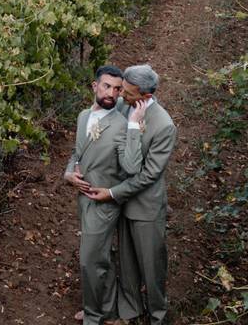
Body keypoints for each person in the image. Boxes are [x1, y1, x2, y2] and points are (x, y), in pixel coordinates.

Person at [64, 66, 146, 325]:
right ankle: (108, 310)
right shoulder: (82, 116)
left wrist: (133, 127)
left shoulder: (121, 124)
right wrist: (68, 173)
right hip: (83, 198)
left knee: (90, 261)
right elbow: (77, 154)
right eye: (107, 86)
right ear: (94, 86)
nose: (112, 93)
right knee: (103, 258)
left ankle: (93, 316)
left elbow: (132, 169)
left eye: (117, 89)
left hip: (103, 203)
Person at [108, 64, 177, 325]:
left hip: (146, 208)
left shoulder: (164, 126)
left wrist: (113, 192)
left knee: (152, 268)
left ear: (145, 97)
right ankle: (130, 313)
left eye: (127, 92)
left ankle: (158, 317)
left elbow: (148, 176)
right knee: (126, 265)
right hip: (124, 204)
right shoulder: (124, 107)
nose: (121, 96)